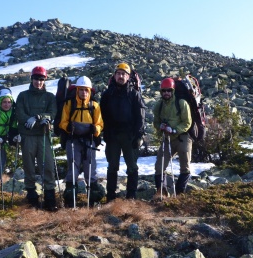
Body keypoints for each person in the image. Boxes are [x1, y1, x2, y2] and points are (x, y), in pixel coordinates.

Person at [99, 62, 146, 200]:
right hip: (113, 136)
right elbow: (102, 115)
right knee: (112, 166)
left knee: (132, 166)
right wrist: (105, 132)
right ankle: (111, 197)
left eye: (123, 74)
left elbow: (141, 116)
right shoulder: (107, 94)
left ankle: (131, 197)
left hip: (130, 136)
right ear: (114, 76)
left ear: (128, 76)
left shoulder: (134, 94)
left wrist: (139, 135)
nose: (120, 76)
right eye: (118, 73)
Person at [16, 66, 58, 210]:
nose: (38, 82)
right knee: (29, 167)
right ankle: (32, 199)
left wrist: (40, 117)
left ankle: (50, 200)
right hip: (27, 137)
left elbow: (52, 113)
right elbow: (19, 114)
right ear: (32, 79)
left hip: (43, 136)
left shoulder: (49, 97)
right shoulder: (22, 96)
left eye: (41, 79)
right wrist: (28, 119)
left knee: (48, 167)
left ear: (44, 80)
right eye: (36, 79)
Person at [58, 76, 104, 207]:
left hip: (89, 140)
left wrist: (96, 129)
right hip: (73, 140)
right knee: (73, 167)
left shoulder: (94, 106)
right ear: (77, 90)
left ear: (90, 91)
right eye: (81, 90)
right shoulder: (69, 104)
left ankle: (93, 200)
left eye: (86, 90)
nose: (83, 93)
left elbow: (100, 124)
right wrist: (67, 127)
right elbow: (63, 122)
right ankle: (70, 200)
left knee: (91, 169)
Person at [153, 77, 192, 196]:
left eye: (168, 90)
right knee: (159, 167)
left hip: (182, 138)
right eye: (164, 91)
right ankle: (162, 194)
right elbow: (155, 122)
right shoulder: (158, 105)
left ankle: (180, 193)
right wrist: (161, 127)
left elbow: (187, 122)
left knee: (185, 167)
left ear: (173, 91)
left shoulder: (181, 103)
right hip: (167, 139)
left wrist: (175, 130)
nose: (166, 93)